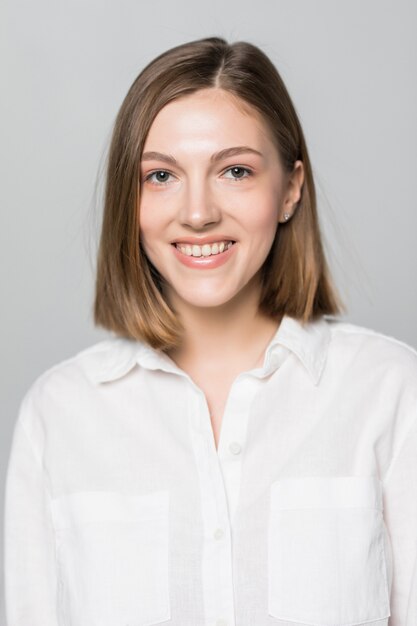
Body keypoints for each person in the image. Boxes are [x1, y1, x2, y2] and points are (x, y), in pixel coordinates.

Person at [3, 36, 417, 626]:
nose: (197, 212)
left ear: (291, 188)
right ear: (132, 199)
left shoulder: (392, 393)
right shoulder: (60, 414)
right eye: (162, 177)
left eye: (235, 170)